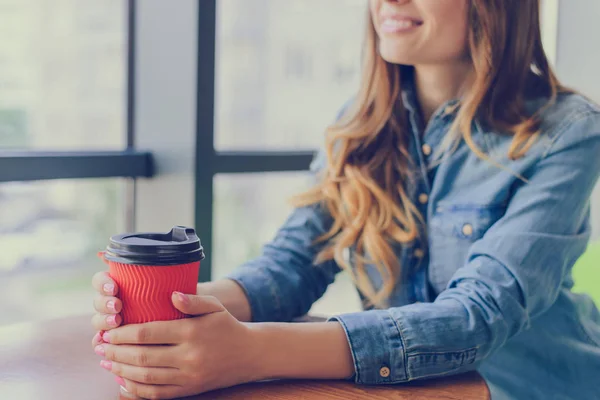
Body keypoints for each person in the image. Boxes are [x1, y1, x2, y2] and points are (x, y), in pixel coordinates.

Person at [91, 0, 600, 398]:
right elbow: (291, 266)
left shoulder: (567, 132)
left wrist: (249, 353)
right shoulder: (361, 127)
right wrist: (176, 310)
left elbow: (476, 316)